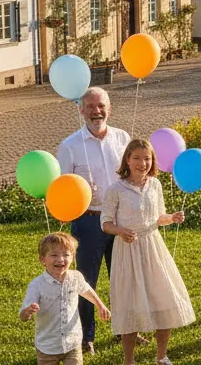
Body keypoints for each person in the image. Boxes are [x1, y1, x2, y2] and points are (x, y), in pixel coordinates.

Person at [101, 139, 195, 365]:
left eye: (147, 158)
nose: (142, 163)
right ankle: (129, 360)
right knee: (130, 303)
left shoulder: (155, 185)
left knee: (164, 297)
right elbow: (105, 223)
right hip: (128, 249)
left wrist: (171, 218)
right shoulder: (116, 189)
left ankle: (161, 356)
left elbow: (158, 217)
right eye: (137, 158)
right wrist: (121, 230)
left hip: (153, 247)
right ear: (127, 160)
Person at [55, 86, 134, 353]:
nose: (96, 111)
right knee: (86, 281)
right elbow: (62, 188)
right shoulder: (69, 146)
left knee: (123, 278)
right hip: (88, 222)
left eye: (101, 106)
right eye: (90, 106)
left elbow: (133, 177)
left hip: (121, 220)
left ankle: (126, 330)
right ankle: (87, 336)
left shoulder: (123, 138)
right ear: (80, 110)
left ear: (109, 109)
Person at [20, 233, 111, 365]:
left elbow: (87, 291)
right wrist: (27, 312)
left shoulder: (76, 277)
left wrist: (100, 305)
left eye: (66, 255)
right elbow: (23, 315)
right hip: (47, 346)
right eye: (54, 255)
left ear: (73, 257)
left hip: (72, 342)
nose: (60, 259)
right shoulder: (36, 285)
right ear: (42, 260)